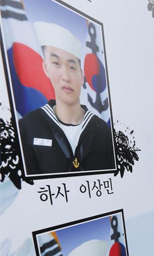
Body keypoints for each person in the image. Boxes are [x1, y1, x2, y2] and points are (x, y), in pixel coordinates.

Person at [19, 22, 115, 176]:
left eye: (72, 67)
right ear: (46, 68)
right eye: (56, 64)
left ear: (82, 76)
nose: (66, 77)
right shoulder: (28, 126)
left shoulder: (102, 130)